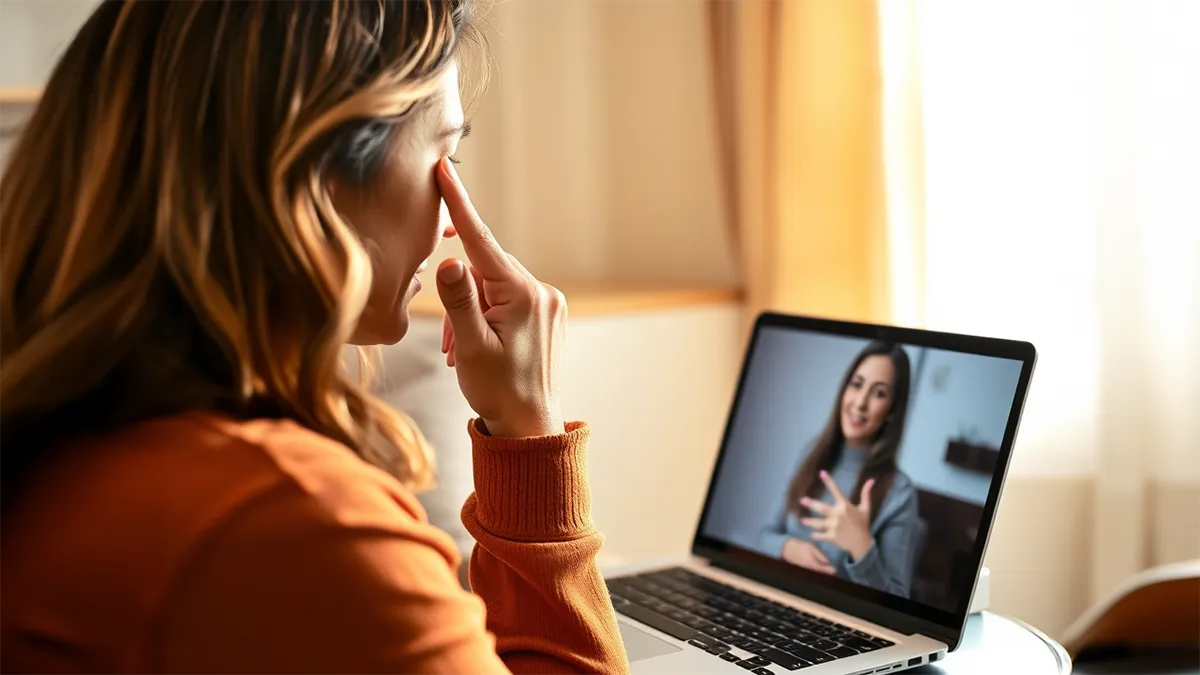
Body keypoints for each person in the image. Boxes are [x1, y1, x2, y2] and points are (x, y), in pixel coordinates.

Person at [0, 1, 628, 673]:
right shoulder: (295, 523)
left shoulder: (76, 447)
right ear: (318, 179)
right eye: (443, 156)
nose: (451, 221)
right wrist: (531, 434)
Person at [760, 342, 922, 598]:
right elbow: (764, 535)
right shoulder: (812, 453)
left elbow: (898, 599)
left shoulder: (900, 493)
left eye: (879, 393)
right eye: (856, 385)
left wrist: (861, 546)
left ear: (892, 411)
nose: (860, 403)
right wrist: (788, 548)